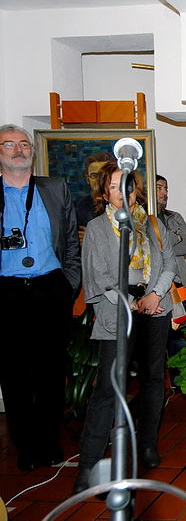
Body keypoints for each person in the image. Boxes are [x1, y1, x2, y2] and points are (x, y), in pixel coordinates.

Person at [75, 162, 177, 492]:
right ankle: (88, 464)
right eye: (115, 187)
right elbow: (97, 275)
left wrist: (154, 294)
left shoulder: (152, 223)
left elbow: (169, 263)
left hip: (154, 308)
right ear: (104, 193)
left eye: (128, 186)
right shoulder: (96, 228)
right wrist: (131, 302)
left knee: (152, 380)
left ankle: (147, 445)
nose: (123, 193)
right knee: (108, 388)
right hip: (117, 311)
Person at [0, 124, 80, 472]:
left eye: (24, 144)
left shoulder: (54, 188)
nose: (19, 150)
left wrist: (69, 284)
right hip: (7, 292)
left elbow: (71, 241)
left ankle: (48, 443)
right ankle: (26, 446)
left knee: (50, 373)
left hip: (50, 289)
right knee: (14, 375)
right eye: (9, 144)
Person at [156, 175, 186, 289]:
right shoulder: (140, 218)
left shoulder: (175, 217)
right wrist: (177, 238)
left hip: (178, 282)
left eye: (166, 188)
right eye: (159, 188)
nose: (164, 192)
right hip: (153, 282)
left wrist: (160, 250)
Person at [75, 152, 114, 242]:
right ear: (87, 179)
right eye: (94, 175)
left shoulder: (124, 204)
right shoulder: (77, 208)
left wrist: (94, 237)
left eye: (103, 175)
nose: (99, 179)